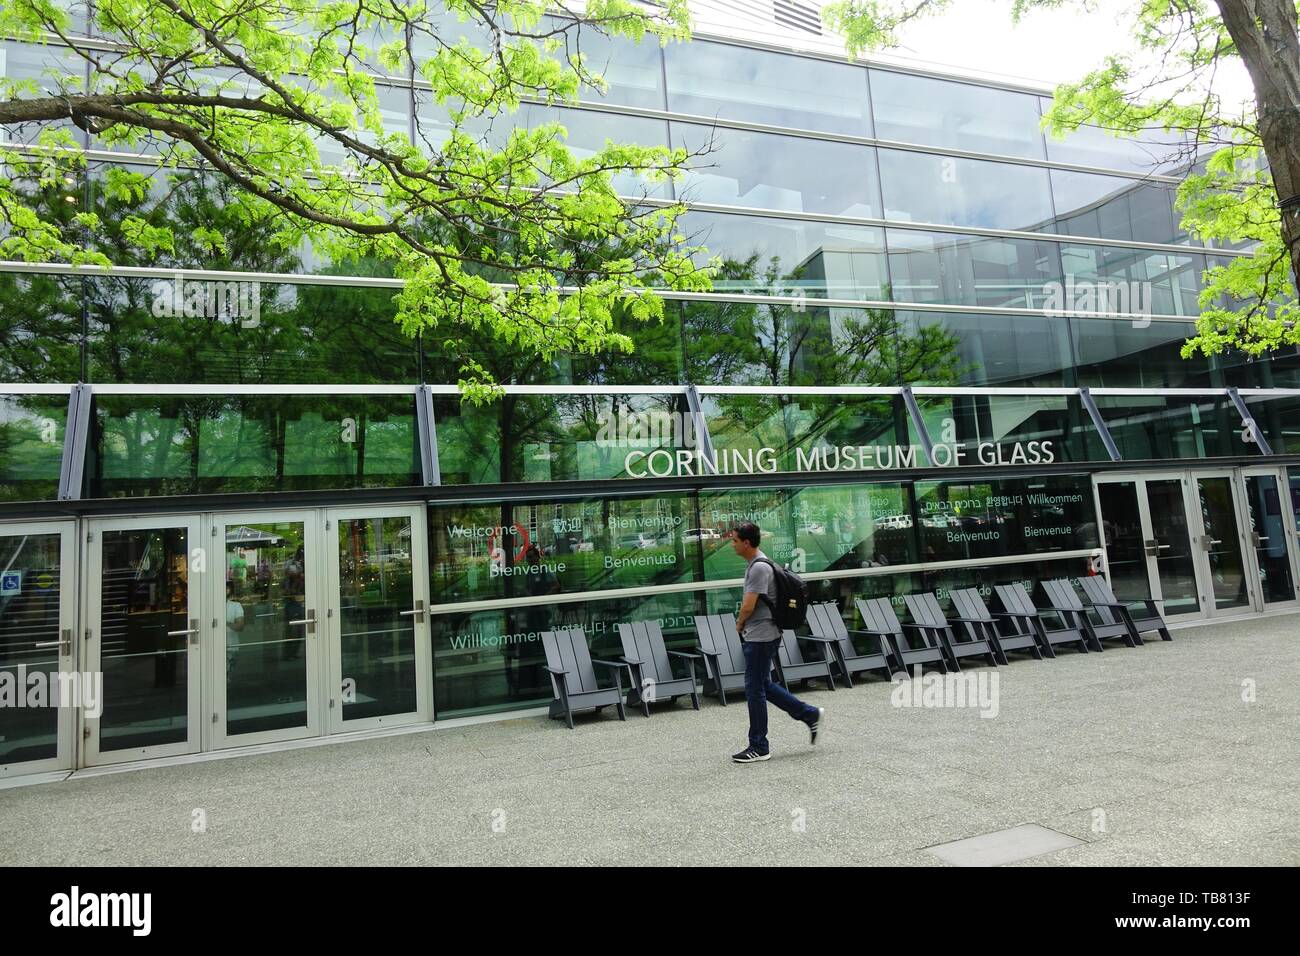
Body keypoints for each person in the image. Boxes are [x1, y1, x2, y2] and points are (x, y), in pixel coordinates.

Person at [729, 522, 823, 763]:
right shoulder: (759, 563)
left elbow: (749, 605)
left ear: (746, 543)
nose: (733, 545)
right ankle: (809, 714)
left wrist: (739, 624)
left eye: (735, 541)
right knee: (764, 685)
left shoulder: (758, 568)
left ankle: (759, 746)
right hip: (765, 633)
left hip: (761, 635)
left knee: (754, 690)